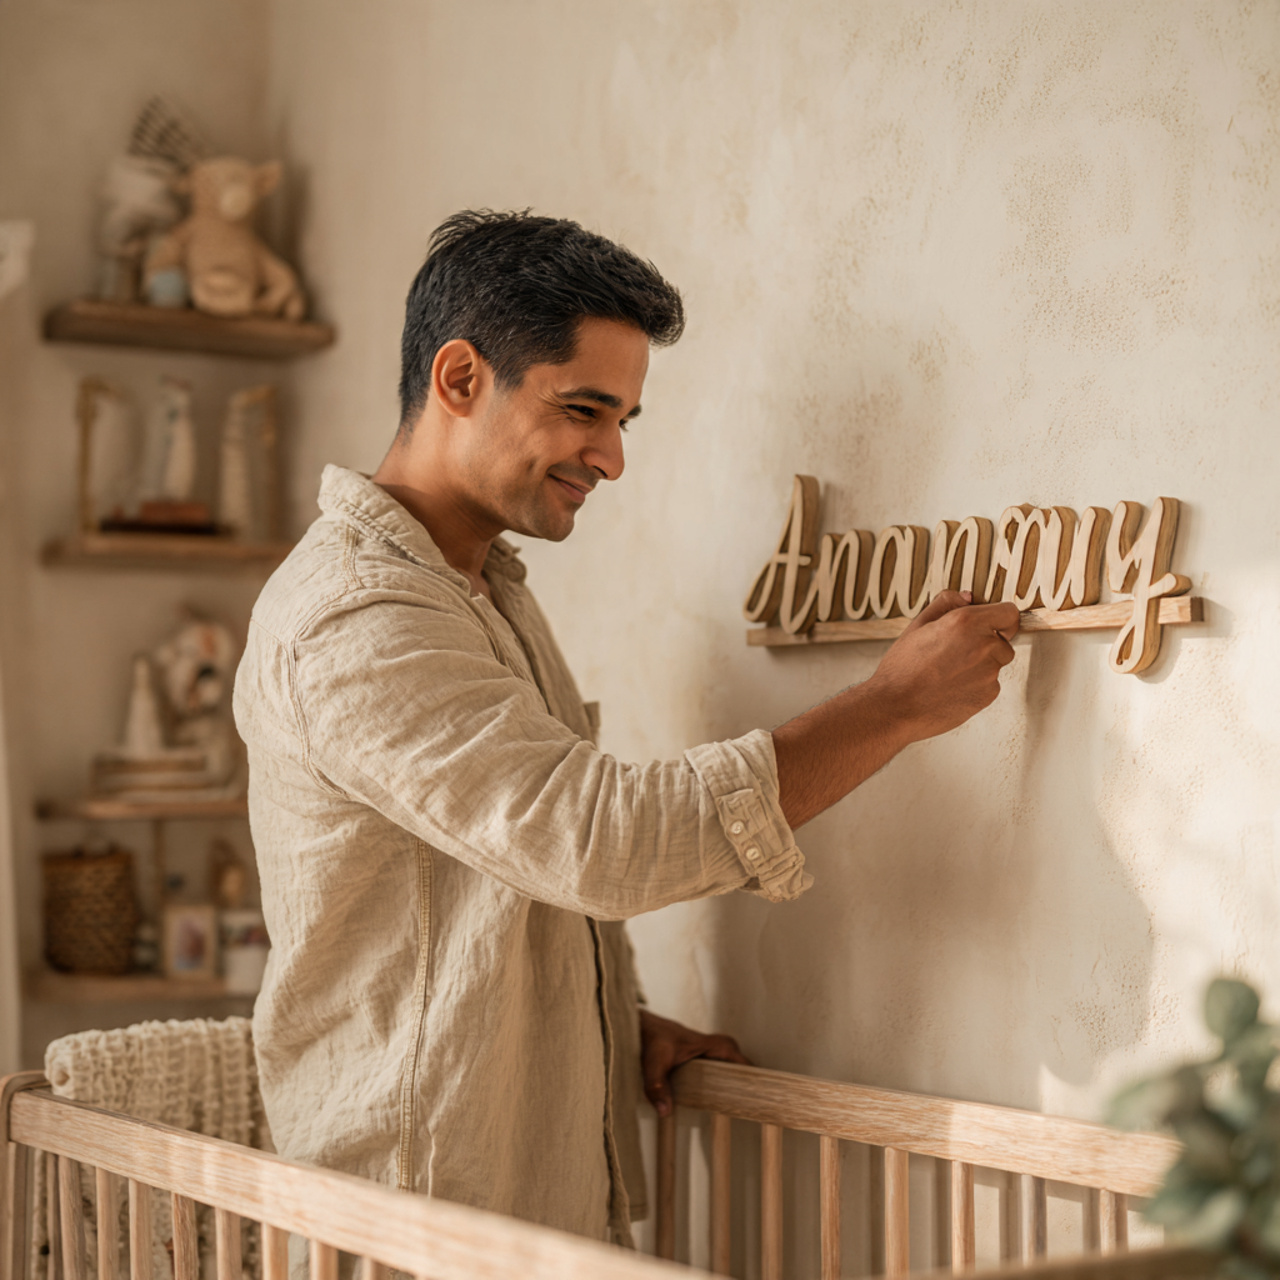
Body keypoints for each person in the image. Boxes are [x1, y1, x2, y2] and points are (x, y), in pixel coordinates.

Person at [232, 210, 1019, 1248]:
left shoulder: (479, 592)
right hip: (414, 1218)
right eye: (583, 410)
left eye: (623, 421)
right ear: (459, 378)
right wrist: (890, 707)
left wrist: (600, 1019)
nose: (608, 456)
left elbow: (495, 870)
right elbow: (592, 839)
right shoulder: (358, 616)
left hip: (510, 1193)